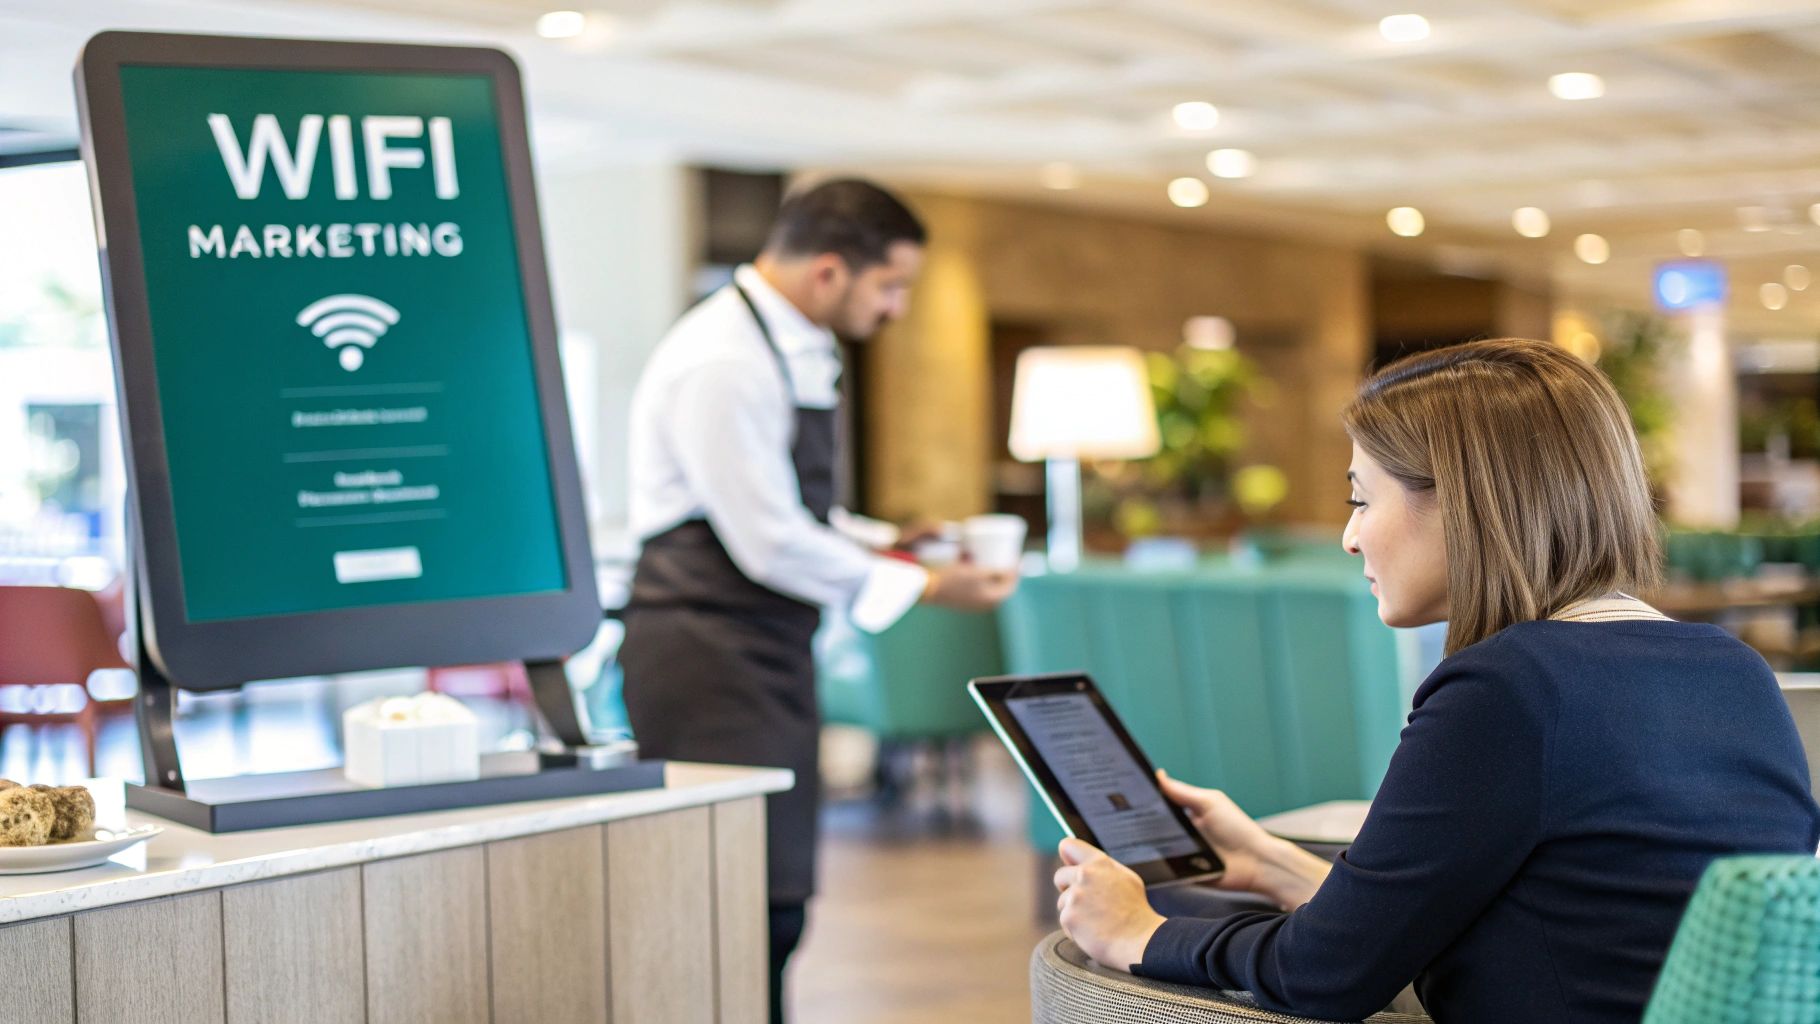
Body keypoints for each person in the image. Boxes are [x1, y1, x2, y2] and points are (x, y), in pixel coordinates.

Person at [1052, 338, 1820, 1023]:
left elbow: (1324, 978)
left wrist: (1137, 934)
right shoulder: (1733, 669)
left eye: (1361, 497)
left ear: (1461, 500)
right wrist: (1268, 863)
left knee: (1069, 956)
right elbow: (1556, 917)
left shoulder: (1510, 687)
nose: (1351, 537)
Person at [618, 178, 1018, 1024]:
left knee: (776, 892)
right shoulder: (723, 358)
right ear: (832, 271)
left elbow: (806, 517)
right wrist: (931, 585)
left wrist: (896, 542)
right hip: (702, 653)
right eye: (892, 286)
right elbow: (765, 540)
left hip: (760, 648)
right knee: (734, 900)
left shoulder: (792, 345)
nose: (899, 307)